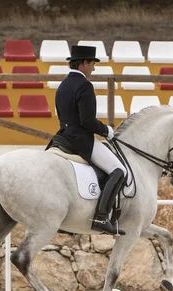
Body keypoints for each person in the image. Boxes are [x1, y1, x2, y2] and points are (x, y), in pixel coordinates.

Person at [53, 45, 127, 236]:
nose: (94, 68)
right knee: (119, 171)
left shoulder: (63, 85)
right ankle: (101, 216)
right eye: (93, 64)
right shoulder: (84, 85)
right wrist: (106, 131)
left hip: (63, 137)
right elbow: (87, 121)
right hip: (80, 140)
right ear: (84, 63)